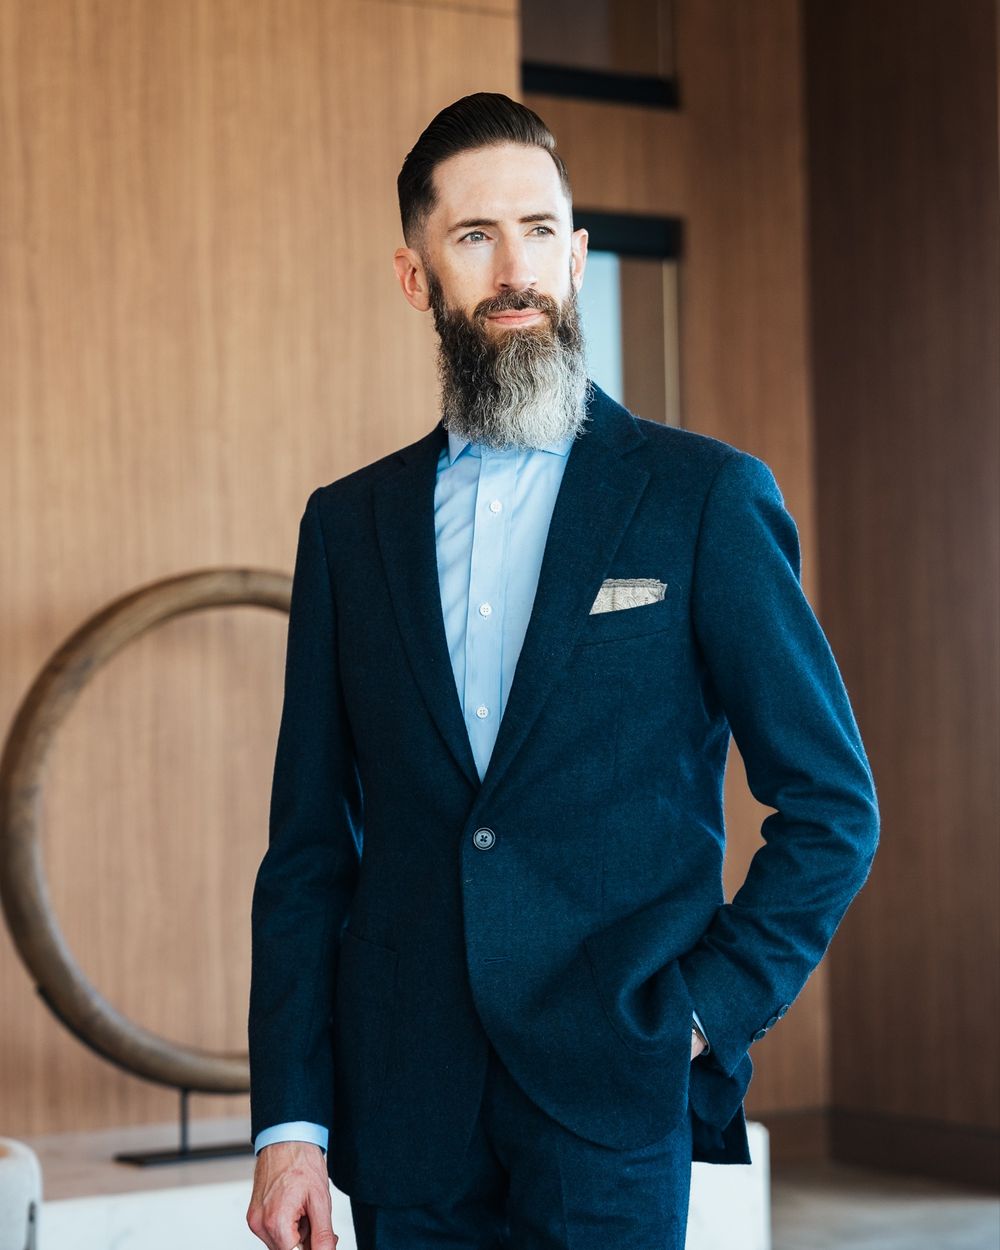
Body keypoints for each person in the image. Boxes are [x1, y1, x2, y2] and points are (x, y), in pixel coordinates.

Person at [245, 92, 879, 1250]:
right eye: (475, 237)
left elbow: (833, 806)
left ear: (578, 256)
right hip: (405, 1111)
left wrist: (700, 1012)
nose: (515, 268)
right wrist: (290, 1119)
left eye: (540, 231)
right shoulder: (347, 526)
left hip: (611, 1102)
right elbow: (304, 853)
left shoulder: (703, 497)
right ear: (415, 275)